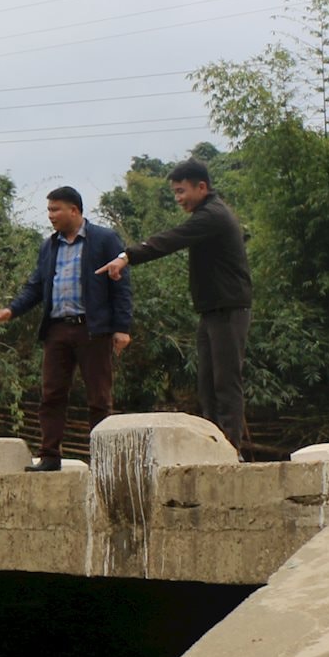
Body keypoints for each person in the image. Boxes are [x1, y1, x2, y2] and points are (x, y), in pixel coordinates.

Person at [97, 159, 253, 452]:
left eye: (182, 191)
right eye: (175, 193)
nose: (179, 199)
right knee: (207, 383)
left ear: (202, 187)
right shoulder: (206, 215)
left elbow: (170, 240)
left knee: (226, 382)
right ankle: (215, 445)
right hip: (211, 310)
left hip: (230, 309)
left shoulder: (213, 215)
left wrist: (127, 256)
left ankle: (231, 449)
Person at [0, 187, 131, 471]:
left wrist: (122, 328)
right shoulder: (49, 245)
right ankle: (50, 455)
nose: (50, 215)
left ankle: (103, 459)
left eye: (56, 209)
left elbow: (121, 286)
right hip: (57, 329)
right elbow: (36, 285)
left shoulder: (104, 239)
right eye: (49, 210)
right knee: (51, 394)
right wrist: (11, 310)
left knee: (99, 397)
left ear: (74, 210)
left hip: (92, 328)